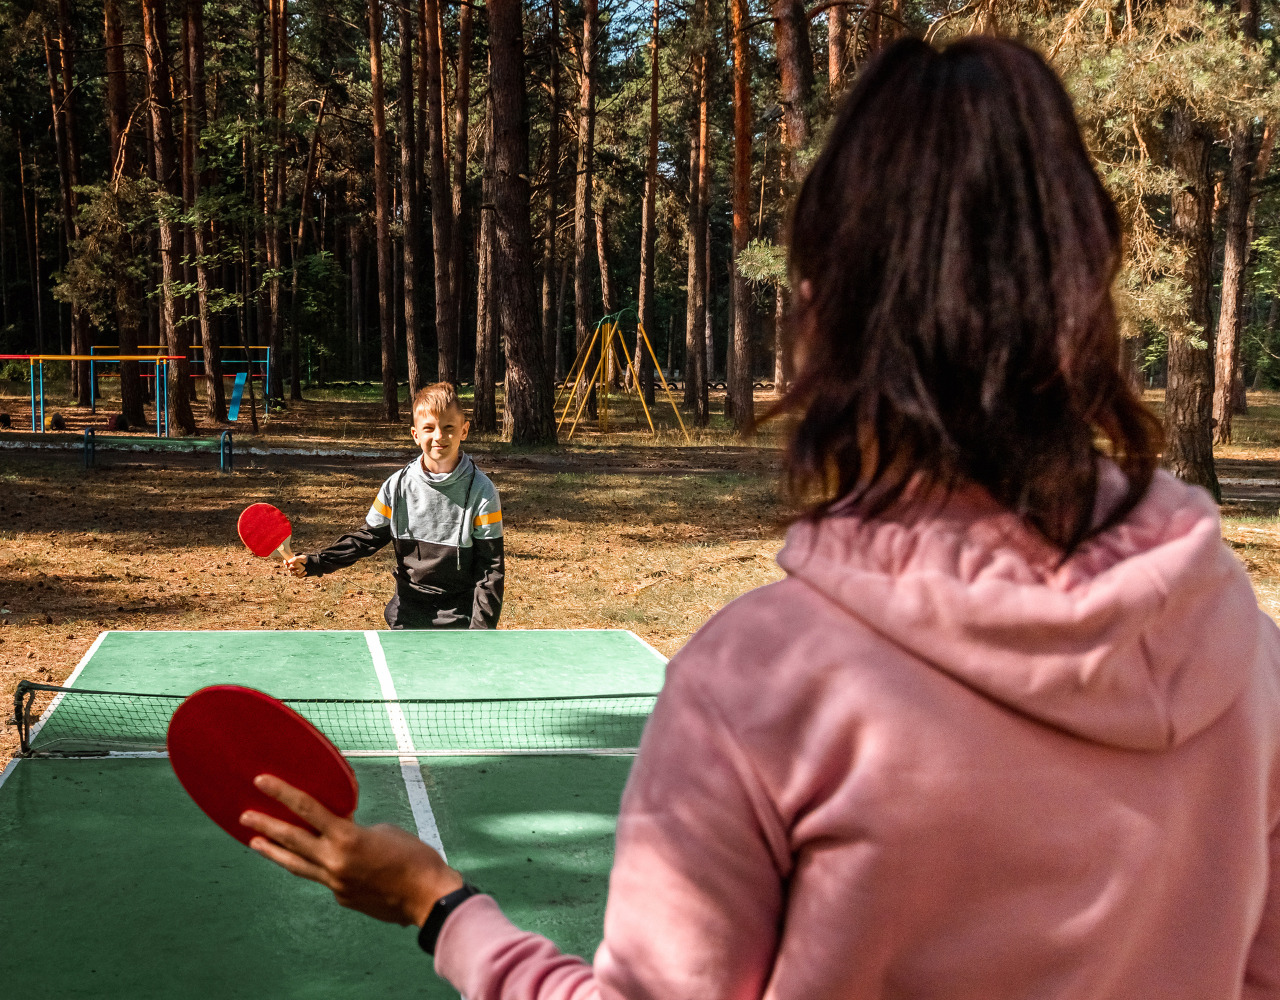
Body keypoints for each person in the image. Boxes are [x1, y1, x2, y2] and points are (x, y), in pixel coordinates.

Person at [241, 37, 1280, 999]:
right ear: (1088, 290)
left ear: (822, 307)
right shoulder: (1238, 636)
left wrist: (443, 908)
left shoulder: (760, 682)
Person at [286, 381, 505, 629]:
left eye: (449, 427)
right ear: (415, 435)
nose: (439, 437)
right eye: (429, 428)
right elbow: (366, 539)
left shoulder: (482, 491)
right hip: (406, 616)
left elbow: (490, 570)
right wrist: (317, 562)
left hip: (459, 619)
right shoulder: (396, 486)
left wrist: (481, 634)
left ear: (464, 431)